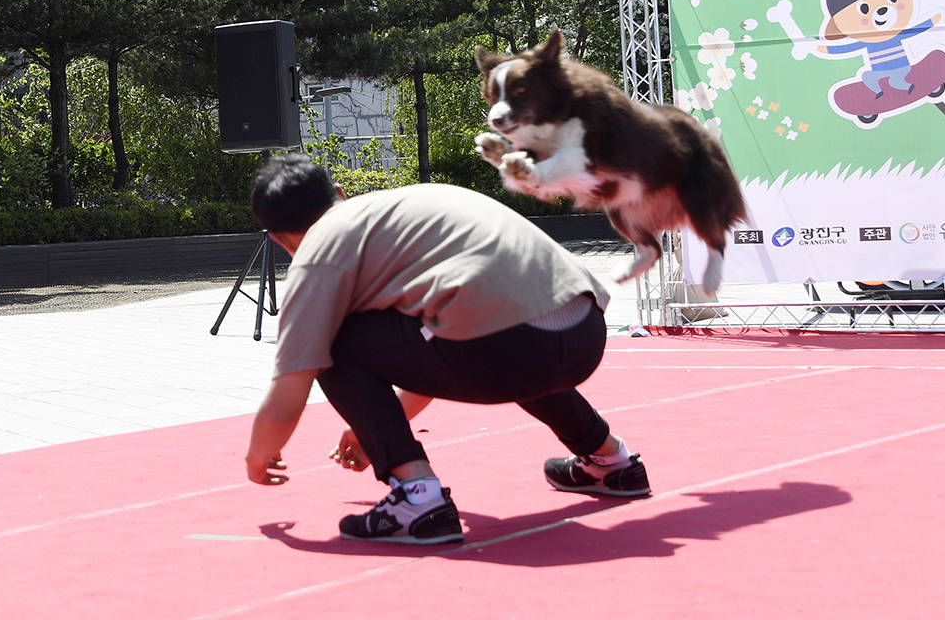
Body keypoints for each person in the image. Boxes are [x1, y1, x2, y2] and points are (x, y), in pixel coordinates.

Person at [243, 154, 651, 545]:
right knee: (508, 335)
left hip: (508, 348)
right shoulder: (407, 205)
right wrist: (376, 428)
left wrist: (257, 458)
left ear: (279, 239)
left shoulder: (316, 255)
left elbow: (287, 398)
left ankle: (417, 497)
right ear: (339, 191)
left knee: (330, 334)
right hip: (584, 331)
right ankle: (611, 460)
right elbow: (439, 352)